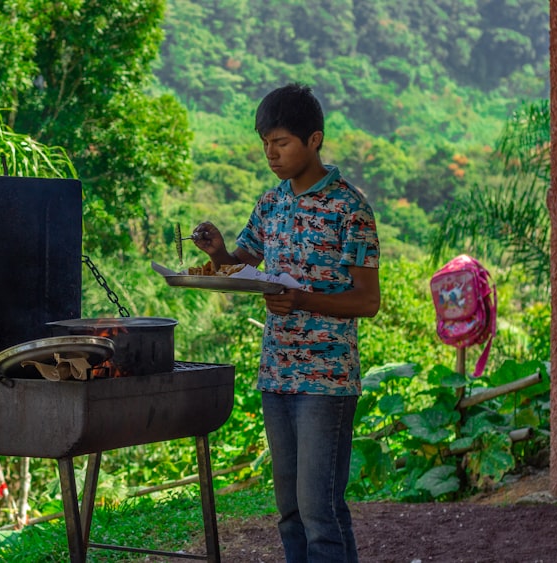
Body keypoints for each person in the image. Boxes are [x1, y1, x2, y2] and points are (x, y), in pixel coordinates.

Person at [192, 83, 380, 563]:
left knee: (321, 511)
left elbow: (367, 300)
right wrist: (218, 255)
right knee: (289, 510)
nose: (271, 154)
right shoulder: (270, 204)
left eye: (281, 142)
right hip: (276, 374)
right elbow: (244, 266)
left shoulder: (350, 207)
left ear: (313, 140)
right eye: (264, 144)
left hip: (326, 379)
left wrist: (300, 300)